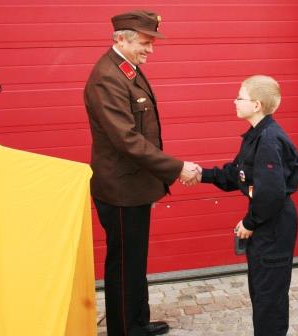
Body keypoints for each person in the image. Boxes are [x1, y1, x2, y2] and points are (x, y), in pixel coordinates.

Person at [84, 10, 200, 336]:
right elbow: (127, 140)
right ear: (121, 38)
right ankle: (123, 330)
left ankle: (136, 322)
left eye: (151, 43)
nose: (151, 50)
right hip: (121, 189)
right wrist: (177, 168)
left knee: (135, 260)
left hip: (135, 186)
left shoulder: (127, 69)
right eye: (145, 43)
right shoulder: (106, 77)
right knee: (124, 263)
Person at [197, 75, 298, 335]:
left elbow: (271, 193)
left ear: (256, 105)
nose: (235, 101)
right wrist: (201, 174)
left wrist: (249, 222)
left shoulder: (268, 140)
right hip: (267, 222)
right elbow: (236, 174)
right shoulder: (256, 136)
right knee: (262, 292)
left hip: (274, 226)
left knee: (269, 300)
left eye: (239, 97)